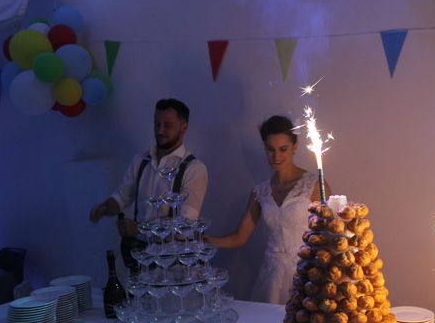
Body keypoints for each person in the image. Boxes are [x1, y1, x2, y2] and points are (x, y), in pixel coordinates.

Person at [206, 115, 331, 305]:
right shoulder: (260, 191)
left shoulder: (313, 184)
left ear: (295, 146)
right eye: (270, 150)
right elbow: (239, 237)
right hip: (271, 277)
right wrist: (202, 240)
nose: (276, 156)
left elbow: (330, 236)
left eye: (283, 149)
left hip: (307, 274)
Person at [89, 98, 208, 268]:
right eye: (156, 123)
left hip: (175, 261)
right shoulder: (140, 160)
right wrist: (105, 207)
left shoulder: (195, 169)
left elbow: (185, 227)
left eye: (167, 125)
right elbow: (122, 196)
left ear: (184, 127)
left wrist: (138, 229)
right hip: (141, 256)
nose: (160, 130)